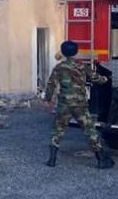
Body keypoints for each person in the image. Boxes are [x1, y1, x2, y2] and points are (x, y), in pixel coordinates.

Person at [43, 40, 114, 169]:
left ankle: (52, 159)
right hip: (80, 105)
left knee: (58, 131)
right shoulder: (82, 66)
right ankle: (101, 159)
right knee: (89, 130)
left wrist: (48, 100)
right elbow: (95, 78)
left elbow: (51, 84)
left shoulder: (59, 67)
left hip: (64, 104)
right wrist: (106, 79)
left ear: (63, 53)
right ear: (76, 52)